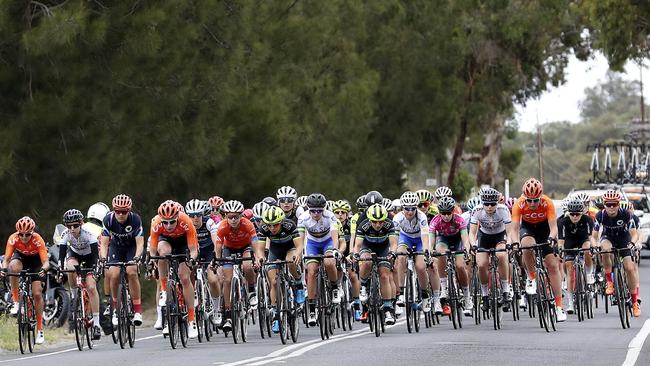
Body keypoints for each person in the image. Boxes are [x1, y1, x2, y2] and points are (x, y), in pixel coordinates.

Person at [511, 178, 566, 322]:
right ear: (525, 198)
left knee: (553, 266)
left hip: (544, 230)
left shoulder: (547, 202)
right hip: (528, 228)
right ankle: (532, 277)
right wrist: (515, 242)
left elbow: (554, 228)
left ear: (540, 197)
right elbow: (514, 229)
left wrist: (551, 238)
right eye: (529, 200)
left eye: (536, 200)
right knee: (526, 245)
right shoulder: (519, 204)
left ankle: (559, 307)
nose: (533, 204)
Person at [149, 200, 200, 338]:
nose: (168, 225)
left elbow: (194, 250)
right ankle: (165, 290)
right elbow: (153, 251)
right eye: (165, 222)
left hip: (184, 243)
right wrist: (152, 262)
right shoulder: (156, 223)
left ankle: (191, 320)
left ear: (178, 217)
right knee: (162, 253)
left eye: (172, 221)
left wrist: (191, 260)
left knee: (184, 277)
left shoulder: (186, 221)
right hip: (165, 241)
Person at [214, 200, 262, 332]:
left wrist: (257, 257)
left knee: (247, 266)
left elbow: (255, 243)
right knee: (227, 280)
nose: (233, 220)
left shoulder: (247, 224)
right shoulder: (222, 226)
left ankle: (251, 290)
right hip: (229, 249)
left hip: (245, 247)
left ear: (241, 216)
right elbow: (218, 246)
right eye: (230, 217)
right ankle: (228, 314)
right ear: (225, 216)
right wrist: (218, 261)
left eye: (236, 216)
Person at [593, 190, 641, 317]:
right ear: (604, 205)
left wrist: (632, 243)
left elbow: (634, 234)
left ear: (618, 204)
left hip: (623, 239)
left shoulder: (625, 214)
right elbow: (593, 236)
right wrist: (596, 244)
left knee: (630, 269)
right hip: (608, 238)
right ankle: (609, 282)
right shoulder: (600, 216)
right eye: (608, 204)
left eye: (614, 204)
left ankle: (635, 302)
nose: (611, 207)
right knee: (604, 249)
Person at [1, 217, 49, 344]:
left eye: (27, 234)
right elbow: (6, 259)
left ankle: (40, 329)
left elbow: (46, 262)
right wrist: (4, 270)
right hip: (21, 257)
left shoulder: (38, 239)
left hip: (36, 261)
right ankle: (16, 302)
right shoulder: (13, 238)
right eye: (20, 234)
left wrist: (43, 270)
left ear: (32, 232)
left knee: (37, 293)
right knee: (13, 267)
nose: (23, 237)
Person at [99, 194, 145, 328]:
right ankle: (114, 308)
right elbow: (104, 243)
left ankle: (137, 311)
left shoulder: (135, 220)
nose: (120, 214)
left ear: (129, 211)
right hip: (116, 247)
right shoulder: (108, 220)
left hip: (132, 247)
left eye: (124, 212)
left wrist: (137, 258)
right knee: (113, 273)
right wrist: (103, 258)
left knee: (131, 272)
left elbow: (140, 243)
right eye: (117, 211)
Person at [258, 206, 304, 333]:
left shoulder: (290, 225)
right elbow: (260, 250)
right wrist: (261, 258)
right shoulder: (263, 228)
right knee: (273, 282)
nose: (272, 228)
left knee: (291, 262)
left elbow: (299, 245)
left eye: (275, 225)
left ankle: (299, 285)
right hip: (275, 251)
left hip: (290, 248)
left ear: (281, 222)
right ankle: (276, 315)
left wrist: (298, 255)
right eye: (269, 225)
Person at [468, 188, 514, 314]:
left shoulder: (503, 210)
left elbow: (510, 232)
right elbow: (472, 233)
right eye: (486, 204)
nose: (489, 207)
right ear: (482, 203)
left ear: (497, 203)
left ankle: (505, 291)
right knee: (482, 265)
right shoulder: (477, 210)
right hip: (484, 236)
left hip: (500, 236)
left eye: (493, 204)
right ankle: (485, 296)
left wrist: (509, 244)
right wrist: (473, 245)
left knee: (501, 255)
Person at [299, 193, 340, 325]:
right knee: (311, 271)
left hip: (327, 242)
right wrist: (300, 253)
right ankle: (312, 308)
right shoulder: (303, 218)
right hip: (312, 244)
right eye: (313, 211)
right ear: (308, 209)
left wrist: (335, 250)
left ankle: (334, 287)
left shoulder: (330, 216)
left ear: (324, 209)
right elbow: (300, 239)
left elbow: (335, 236)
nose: (316, 213)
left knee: (329, 262)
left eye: (319, 211)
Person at [353, 204, 398, 324]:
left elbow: (393, 243)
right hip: (367, 246)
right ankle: (363, 286)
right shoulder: (364, 225)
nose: (378, 225)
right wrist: (356, 254)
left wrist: (393, 252)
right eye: (374, 222)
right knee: (366, 262)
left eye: (380, 222)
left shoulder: (389, 224)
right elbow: (357, 245)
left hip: (383, 248)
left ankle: (388, 308)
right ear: (369, 219)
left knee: (384, 275)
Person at [61, 209, 102, 340]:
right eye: (69, 226)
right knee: (70, 268)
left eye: (75, 226)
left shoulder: (89, 234)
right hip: (75, 255)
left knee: (91, 287)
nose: (72, 229)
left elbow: (96, 255)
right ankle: (74, 295)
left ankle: (96, 323)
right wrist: (60, 269)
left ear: (81, 223)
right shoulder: (65, 234)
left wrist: (95, 269)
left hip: (91, 257)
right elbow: (62, 255)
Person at [393, 191, 433, 314]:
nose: (410, 212)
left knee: (421, 266)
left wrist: (426, 251)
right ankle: (400, 293)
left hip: (420, 240)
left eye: (412, 208)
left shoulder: (422, 216)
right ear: (402, 208)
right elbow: (394, 239)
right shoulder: (397, 218)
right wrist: (393, 252)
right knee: (400, 257)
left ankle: (425, 295)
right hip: (405, 239)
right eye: (406, 209)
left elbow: (425, 236)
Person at [430, 197, 472, 316]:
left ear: (453, 211)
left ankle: (467, 296)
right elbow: (431, 238)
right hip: (443, 240)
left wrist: (467, 250)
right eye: (443, 213)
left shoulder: (459, 219)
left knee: (460, 266)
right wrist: (429, 251)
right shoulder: (435, 221)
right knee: (440, 252)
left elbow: (465, 237)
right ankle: (444, 288)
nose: (446, 216)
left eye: (448, 213)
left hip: (457, 240)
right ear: (439, 212)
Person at [185, 199, 222, 326]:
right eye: (191, 216)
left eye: (198, 215)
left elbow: (216, 241)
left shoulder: (209, 223)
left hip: (208, 252)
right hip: (192, 251)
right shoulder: (185, 225)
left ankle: (217, 309)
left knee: (212, 279)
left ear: (203, 214)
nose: (195, 218)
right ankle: (194, 292)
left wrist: (216, 258)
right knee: (187, 271)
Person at [557, 199, 595, 315]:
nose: (574, 217)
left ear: (581, 213)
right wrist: (560, 251)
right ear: (569, 213)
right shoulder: (563, 222)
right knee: (569, 269)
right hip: (569, 243)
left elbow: (591, 237)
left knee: (587, 250)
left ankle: (588, 274)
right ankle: (570, 303)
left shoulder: (588, 220)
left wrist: (594, 246)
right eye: (572, 214)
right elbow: (561, 241)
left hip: (583, 241)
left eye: (577, 214)